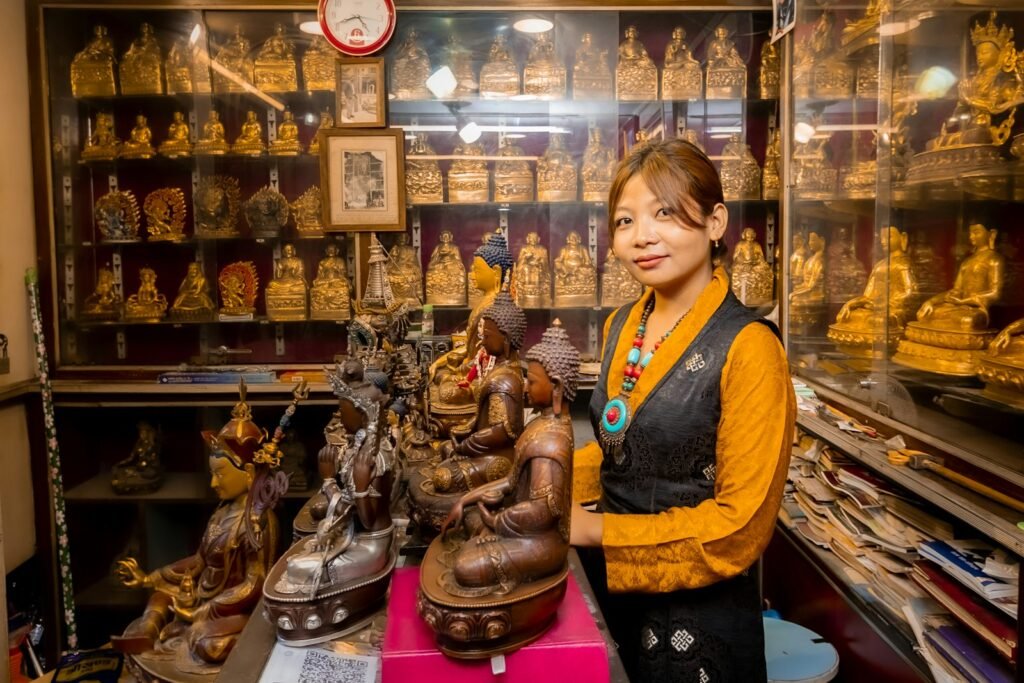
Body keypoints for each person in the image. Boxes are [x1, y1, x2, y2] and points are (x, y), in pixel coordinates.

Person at [570, 138, 795, 681]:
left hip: (700, 621)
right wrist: (540, 483)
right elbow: (620, 453)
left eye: (664, 213)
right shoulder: (623, 324)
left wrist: (590, 531)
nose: (641, 236)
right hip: (615, 591)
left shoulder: (750, 348)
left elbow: (737, 527)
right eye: (625, 221)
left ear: (716, 222)